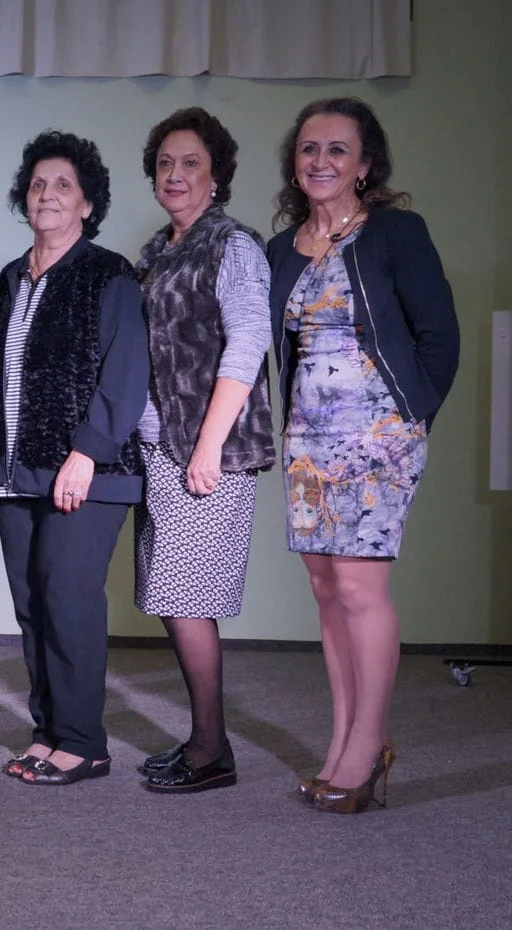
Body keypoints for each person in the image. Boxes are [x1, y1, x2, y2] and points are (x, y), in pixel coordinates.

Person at [267, 97, 459, 813]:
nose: (320, 161)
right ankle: (345, 740)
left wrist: (409, 422)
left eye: (337, 149)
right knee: (326, 590)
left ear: (365, 165)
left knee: (359, 591)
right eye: (309, 148)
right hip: (308, 443)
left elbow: (439, 335)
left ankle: (368, 743)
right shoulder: (282, 248)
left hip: (378, 440)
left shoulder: (395, 233)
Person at [0, 130, 149, 786]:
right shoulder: (10, 278)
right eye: (38, 185)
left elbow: (126, 376)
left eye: (63, 186)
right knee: (32, 604)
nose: (47, 194)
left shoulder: (110, 274)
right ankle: (48, 732)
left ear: (87, 204)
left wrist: (86, 454)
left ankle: (83, 743)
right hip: (14, 471)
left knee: (68, 598)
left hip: (88, 471)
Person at [130, 108, 276, 794]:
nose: (175, 174)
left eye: (191, 163)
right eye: (165, 163)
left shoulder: (232, 245)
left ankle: (213, 749)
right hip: (162, 448)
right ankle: (203, 739)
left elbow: (247, 343)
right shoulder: (158, 252)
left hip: (208, 450)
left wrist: (208, 445)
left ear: (217, 175)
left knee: (188, 598)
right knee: (175, 596)